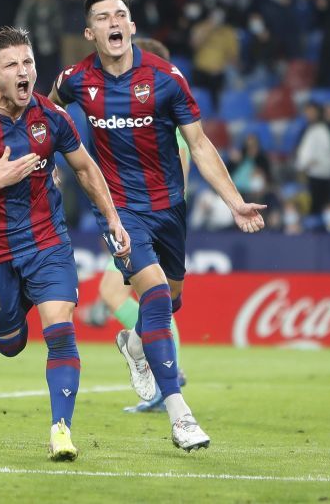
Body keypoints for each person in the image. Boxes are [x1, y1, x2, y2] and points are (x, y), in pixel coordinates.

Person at [49, 0, 267, 452]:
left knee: (170, 303)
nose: (113, 22)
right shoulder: (76, 79)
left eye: (120, 15)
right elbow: (48, 111)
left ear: (131, 27)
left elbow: (201, 145)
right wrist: (48, 161)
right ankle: (180, 415)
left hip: (169, 209)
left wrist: (235, 202)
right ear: (90, 33)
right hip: (118, 210)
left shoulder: (167, 79)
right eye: (103, 17)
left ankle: (134, 345)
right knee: (150, 294)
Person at [0, 26, 130, 462]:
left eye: (28, 62)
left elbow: (84, 168)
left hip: (47, 241)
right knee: (10, 343)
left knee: (60, 331)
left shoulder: (52, 117)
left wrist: (113, 219)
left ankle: (61, 428)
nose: (24, 72)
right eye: (12, 65)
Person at [94, 38, 190, 413]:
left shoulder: (166, 116)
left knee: (157, 299)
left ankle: (166, 371)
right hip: (137, 217)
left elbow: (177, 171)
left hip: (151, 220)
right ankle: (161, 366)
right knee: (138, 294)